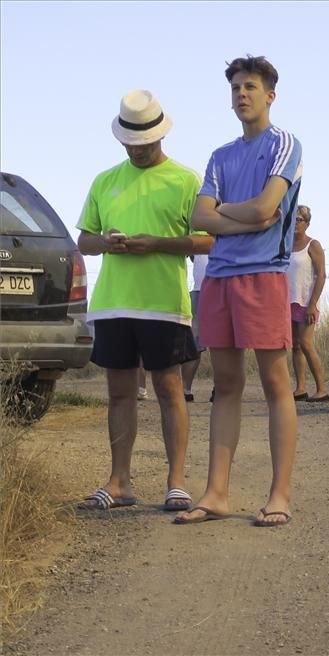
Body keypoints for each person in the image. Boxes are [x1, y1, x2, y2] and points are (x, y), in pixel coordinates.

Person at [176, 55, 302, 527]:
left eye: (249, 87)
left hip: (265, 275)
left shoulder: (285, 144)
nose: (241, 95)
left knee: (275, 384)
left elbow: (271, 206)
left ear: (270, 94)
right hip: (219, 279)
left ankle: (280, 494)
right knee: (225, 385)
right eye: (235, 88)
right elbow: (200, 218)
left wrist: (230, 213)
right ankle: (216, 493)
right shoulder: (219, 156)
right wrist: (244, 214)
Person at [76, 89, 212, 512]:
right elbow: (84, 240)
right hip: (114, 302)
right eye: (130, 144)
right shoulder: (104, 180)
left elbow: (209, 238)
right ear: (122, 140)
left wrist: (157, 244)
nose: (137, 151)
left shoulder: (187, 180)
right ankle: (119, 483)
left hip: (164, 303)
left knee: (170, 389)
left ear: (160, 136)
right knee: (119, 394)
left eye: (145, 143)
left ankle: (176, 483)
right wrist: (105, 242)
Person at [288, 205, 329, 403]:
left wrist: (313, 303)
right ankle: (300, 388)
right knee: (295, 346)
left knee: (306, 343)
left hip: (306, 301)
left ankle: (322, 389)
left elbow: (321, 274)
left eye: (300, 220)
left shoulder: (313, 245)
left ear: (307, 223)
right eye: (293, 219)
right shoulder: (285, 245)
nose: (296, 223)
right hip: (288, 301)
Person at [181, 253, 208, 402]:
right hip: (199, 288)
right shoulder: (197, 230)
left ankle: (221, 388)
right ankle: (185, 388)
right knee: (194, 342)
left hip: (225, 282)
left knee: (225, 345)